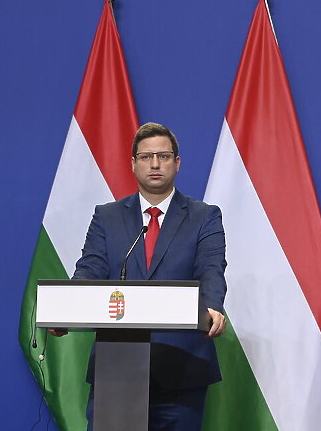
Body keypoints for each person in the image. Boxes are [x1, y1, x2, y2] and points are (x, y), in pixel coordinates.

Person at [70, 122, 227, 430]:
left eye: (164, 156)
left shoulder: (204, 216)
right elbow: (89, 269)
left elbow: (211, 268)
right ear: (133, 163)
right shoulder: (107, 216)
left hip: (181, 367)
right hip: (117, 367)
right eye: (146, 156)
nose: (155, 164)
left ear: (177, 163)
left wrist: (212, 306)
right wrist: (67, 310)